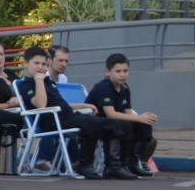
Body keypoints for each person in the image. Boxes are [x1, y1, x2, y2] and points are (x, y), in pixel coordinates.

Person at [15, 47, 133, 179]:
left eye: (43, 64)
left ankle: (114, 166)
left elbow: (60, 104)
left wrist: (83, 105)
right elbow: (41, 104)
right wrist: (38, 80)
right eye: (36, 63)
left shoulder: (48, 82)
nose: (40, 67)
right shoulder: (26, 84)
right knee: (91, 123)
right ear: (26, 64)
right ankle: (84, 164)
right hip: (53, 121)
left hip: (67, 116)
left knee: (114, 124)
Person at [85, 54, 157, 178]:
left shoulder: (124, 88)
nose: (122, 74)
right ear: (107, 72)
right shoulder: (103, 87)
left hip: (113, 123)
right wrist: (139, 117)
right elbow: (110, 114)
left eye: (125, 71)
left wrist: (145, 118)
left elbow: (128, 112)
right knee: (123, 124)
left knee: (143, 126)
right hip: (95, 123)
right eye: (118, 71)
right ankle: (114, 166)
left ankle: (131, 164)